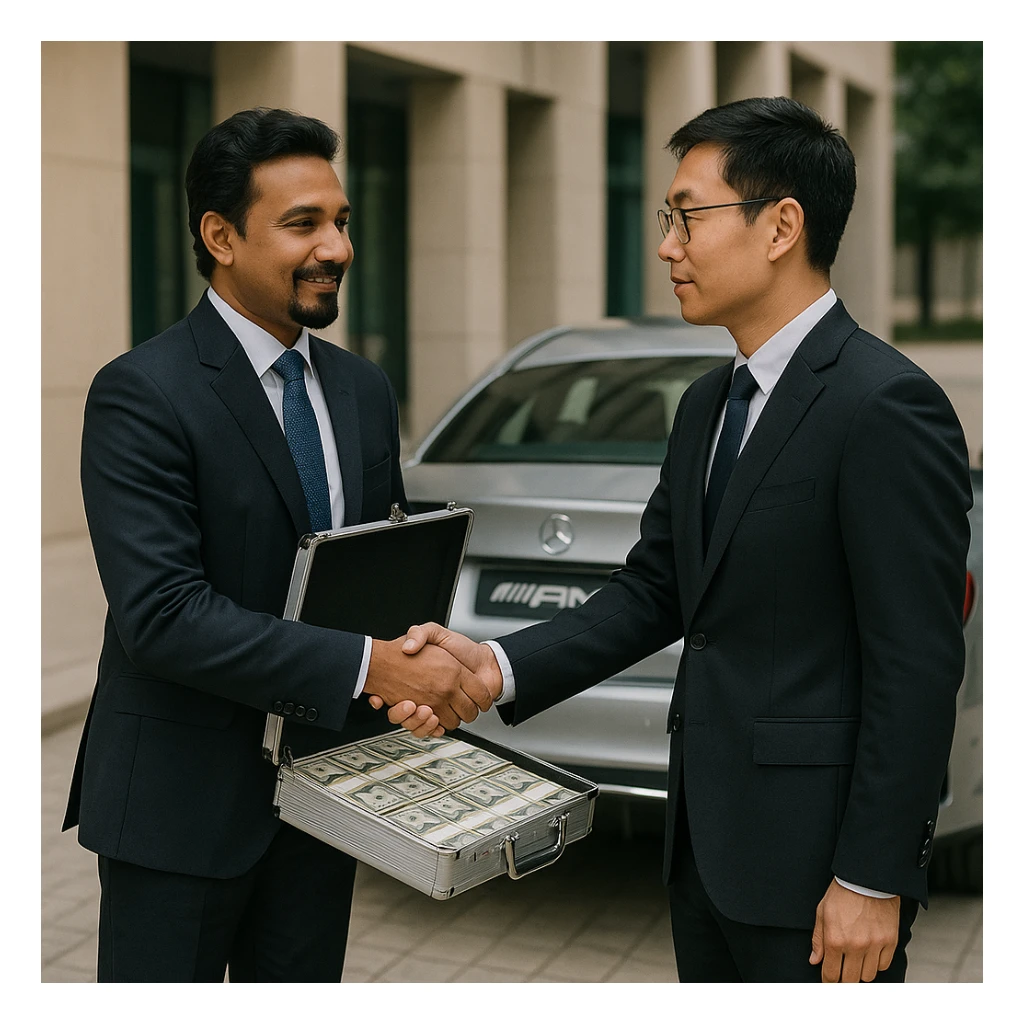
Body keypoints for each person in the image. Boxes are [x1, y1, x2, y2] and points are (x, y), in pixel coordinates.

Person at [381, 97, 973, 983]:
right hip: (704, 854)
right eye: (668, 219)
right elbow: (655, 591)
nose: (666, 247)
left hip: (823, 881)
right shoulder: (706, 405)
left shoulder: (885, 405)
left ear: (781, 227)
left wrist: (872, 875)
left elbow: (917, 663)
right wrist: (492, 668)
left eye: (687, 217)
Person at [62, 107, 491, 983]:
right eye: (304, 224)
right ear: (220, 236)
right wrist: (371, 666)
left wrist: (421, 660)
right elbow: (164, 616)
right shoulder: (141, 392)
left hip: (323, 801)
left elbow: (377, 577)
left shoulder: (363, 389)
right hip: (176, 809)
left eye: (341, 221)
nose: (337, 248)